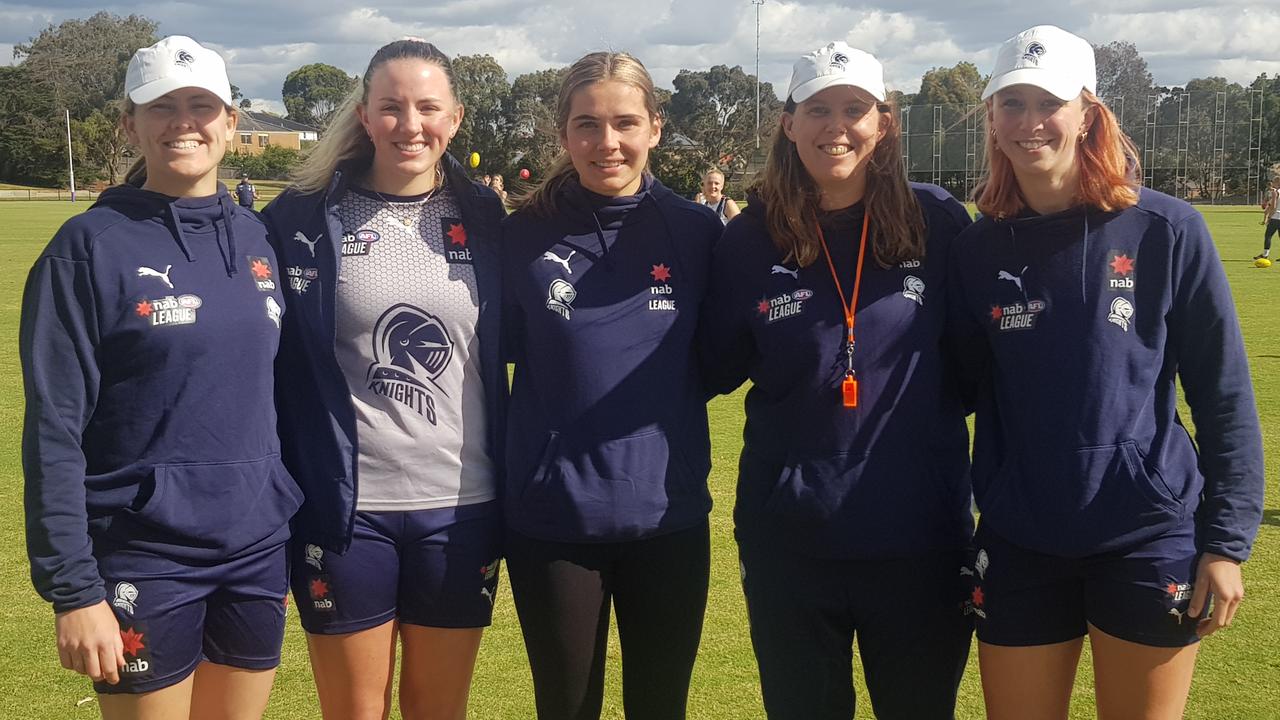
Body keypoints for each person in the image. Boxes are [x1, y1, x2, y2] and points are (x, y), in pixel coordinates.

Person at [950, 25, 1264, 720]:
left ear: (1088, 112)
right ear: (993, 119)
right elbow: (958, 386)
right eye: (1012, 103)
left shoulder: (1167, 229)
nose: (1030, 122)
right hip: (1019, 539)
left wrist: (1226, 541)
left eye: (1049, 103)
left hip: (1147, 536)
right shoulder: (975, 249)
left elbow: (1223, 394)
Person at [20, 35, 301, 718]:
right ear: (130, 123)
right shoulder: (85, 251)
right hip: (145, 558)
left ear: (231, 121)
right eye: (162, 107)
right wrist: (74, 591)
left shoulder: (258, 236)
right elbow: (55, 430)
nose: (184, 122)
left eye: (201, 105)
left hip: (256, 551)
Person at [699, 42, 974, 720]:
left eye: (855, 109)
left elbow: (975, 372)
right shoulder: (750, 237)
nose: (837, 127)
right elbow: (709, 367)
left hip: (920, 542)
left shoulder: (938, 222)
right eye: (818, 109)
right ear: (788, 124)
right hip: (791, 543)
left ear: (884, 122)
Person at [261, 39, 507, 719]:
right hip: (346, 515)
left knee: (438, 709)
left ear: (454, 118)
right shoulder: (300, 220)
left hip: (462, 510)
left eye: (428, 107)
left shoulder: (485, 218)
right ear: (365, 116)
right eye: (391, 107)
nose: (411, 124)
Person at [500, 51, 722, 720]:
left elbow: (718, 360)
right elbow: (502, 352)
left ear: (656, 127)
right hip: (553, 521)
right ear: (564, 134)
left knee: (661, 708)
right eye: (587, 124)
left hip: (667, 515)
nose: (607, 143)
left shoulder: (697, 232)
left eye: (625, 122)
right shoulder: (522, 235)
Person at [1255, 168, 1280, 260]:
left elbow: (1273, 206)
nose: (1272, 184)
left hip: (1276, 217)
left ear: (1277, 183)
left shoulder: (1275, 192)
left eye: (1274, 182)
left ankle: (1265, 255)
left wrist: (1269, 216)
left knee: (1268, 235)